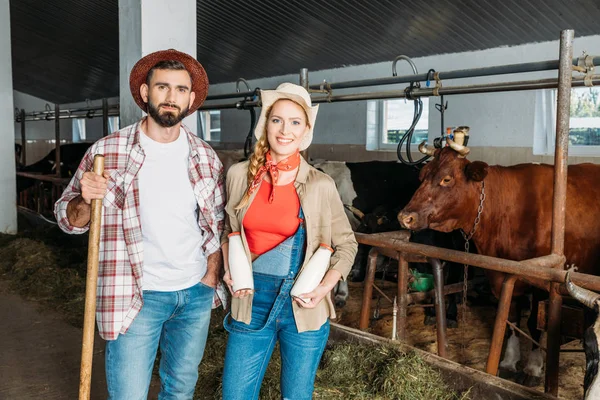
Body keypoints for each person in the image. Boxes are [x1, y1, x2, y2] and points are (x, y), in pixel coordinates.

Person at [54, 49, 226, 399]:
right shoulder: (107, 152)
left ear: (191, 99)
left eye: (180, 90)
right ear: (146, 93)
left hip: (194, 292)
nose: (171, 97)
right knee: (129, 394)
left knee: (180, 390)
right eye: (162, 87)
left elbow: (216, 225)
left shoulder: (206, 156)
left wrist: (210, 277)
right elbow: (67, 221)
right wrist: (85, 199)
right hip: (135, 294)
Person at [220, 82, 358, 399]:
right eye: (277, 120)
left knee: (296, 395)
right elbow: (228, 229)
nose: (285, 130)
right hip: (250, 300)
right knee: (235, 394)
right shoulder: (239, 175)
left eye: (295, 122)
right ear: (265, 124)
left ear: (306, 130)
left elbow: (347, 244)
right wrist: (229, 266)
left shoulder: (320, 184)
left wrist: (324, 288)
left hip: (303, 306)